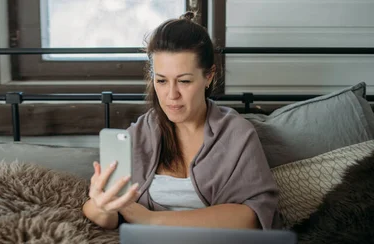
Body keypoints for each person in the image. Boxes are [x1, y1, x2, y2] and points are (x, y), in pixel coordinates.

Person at [82, 12, 281, 230]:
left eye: (184, 81)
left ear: (209, 76)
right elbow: (104, 215)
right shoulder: (138, 135)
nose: (171, 94)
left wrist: (150, 219)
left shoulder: (236, 133)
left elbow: (253, 216)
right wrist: (102, 206)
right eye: (161, 81)